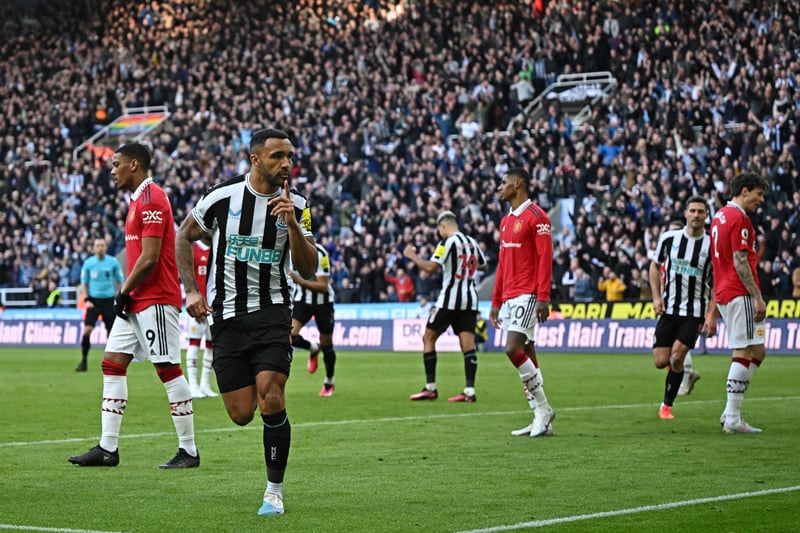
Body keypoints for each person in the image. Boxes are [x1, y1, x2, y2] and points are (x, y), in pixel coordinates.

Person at [175, 128, 318, 516]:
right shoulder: (222, 197)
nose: (286, 163)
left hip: (273, 314)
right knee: (240, 414)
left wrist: (292, 225)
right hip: (227, 318)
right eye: (277, 157)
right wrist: (191, 290)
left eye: (289, 156)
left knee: (271, 395)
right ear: (255, 160)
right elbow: (183, 236)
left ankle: (274, 491)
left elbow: (309, 266)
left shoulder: (299, 204)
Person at [68, 142, 199, 469]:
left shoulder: (152, 198)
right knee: (111, 364)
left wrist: (122, 291)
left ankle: (189, 450)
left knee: (168, 370)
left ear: (135, 165)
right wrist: (127, 294)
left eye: (116, 164)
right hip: (137, 299)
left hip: (155, 299)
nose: (112, 171)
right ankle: (108, 448)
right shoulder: (137, 201)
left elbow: (150, 258)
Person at [489, 167, 556, 437]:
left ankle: (543, 409)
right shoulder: (506, 221)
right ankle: (542, 418)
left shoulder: (538, 217)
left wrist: (543, 297)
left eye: (503, 183)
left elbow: (545, 258)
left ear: (517, 185)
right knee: (527, 353)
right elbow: (502, 265)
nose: (499, 187)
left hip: (528, 294)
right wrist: (495, 301)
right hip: (509, 297)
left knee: (512, 349)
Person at [403, 210, 487, 402]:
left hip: (449, 300)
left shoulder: (446, 243)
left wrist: (412, 257)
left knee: (428, 337)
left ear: (443, 226)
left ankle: (430, 388)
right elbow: (484, 266)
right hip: (470, 300)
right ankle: (469, 391)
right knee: (468, 345)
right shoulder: (472, 243)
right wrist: (466, 268)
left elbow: (431, 268)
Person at [710, 172, 770, 433]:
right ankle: (733, 417)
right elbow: (740, 260)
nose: (761, 199)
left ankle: (729, 411)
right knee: (743, 352)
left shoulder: (720, 215)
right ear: (745, 191)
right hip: (739, 292)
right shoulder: (740, 219)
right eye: (759, 194)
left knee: (758, 351)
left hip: (725, 291)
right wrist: (756, 296)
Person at [649, 197, 717, 420]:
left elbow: (717, 283)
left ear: (706, 215)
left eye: (701, 211)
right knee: (661, 361)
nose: (696, 215)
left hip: (694, 312)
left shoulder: (712, 245)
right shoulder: (669, 239)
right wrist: (656, 297)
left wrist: (711, 315)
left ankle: (666, 406)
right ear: (686, 213)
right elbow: (654, 266)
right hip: (669, 309)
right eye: (693, 211)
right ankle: (681, 375)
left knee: (677, 358)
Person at [289, 242, 337, 397]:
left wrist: (300, 281)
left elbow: (323, 285)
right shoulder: (288, 249)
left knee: (327, 344)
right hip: (302, 301)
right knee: (290, 335)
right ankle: (313, 348)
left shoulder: (320, 253)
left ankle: (329, 382)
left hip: (323, 303)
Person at [75, 238, 124, 372]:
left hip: (108, 300)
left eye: (102, 245)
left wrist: (121, 297)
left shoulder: (113, 262)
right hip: (93, 301)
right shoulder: (89, 263)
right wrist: (86, 300)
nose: (100, 248)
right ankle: (83, 361)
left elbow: (121, 281)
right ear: (94, 248)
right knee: (87, 331)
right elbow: (84, 283)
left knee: (112, 334)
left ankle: (114, 363)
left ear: (105, 247)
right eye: (97, 246)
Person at [185, 239, 218, 399]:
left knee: (211, 346)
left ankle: (205, 384)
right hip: (197, 306)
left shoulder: (218, 247)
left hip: (213, 307)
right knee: (194, 344)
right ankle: (192, 385)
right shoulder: (193, 249)